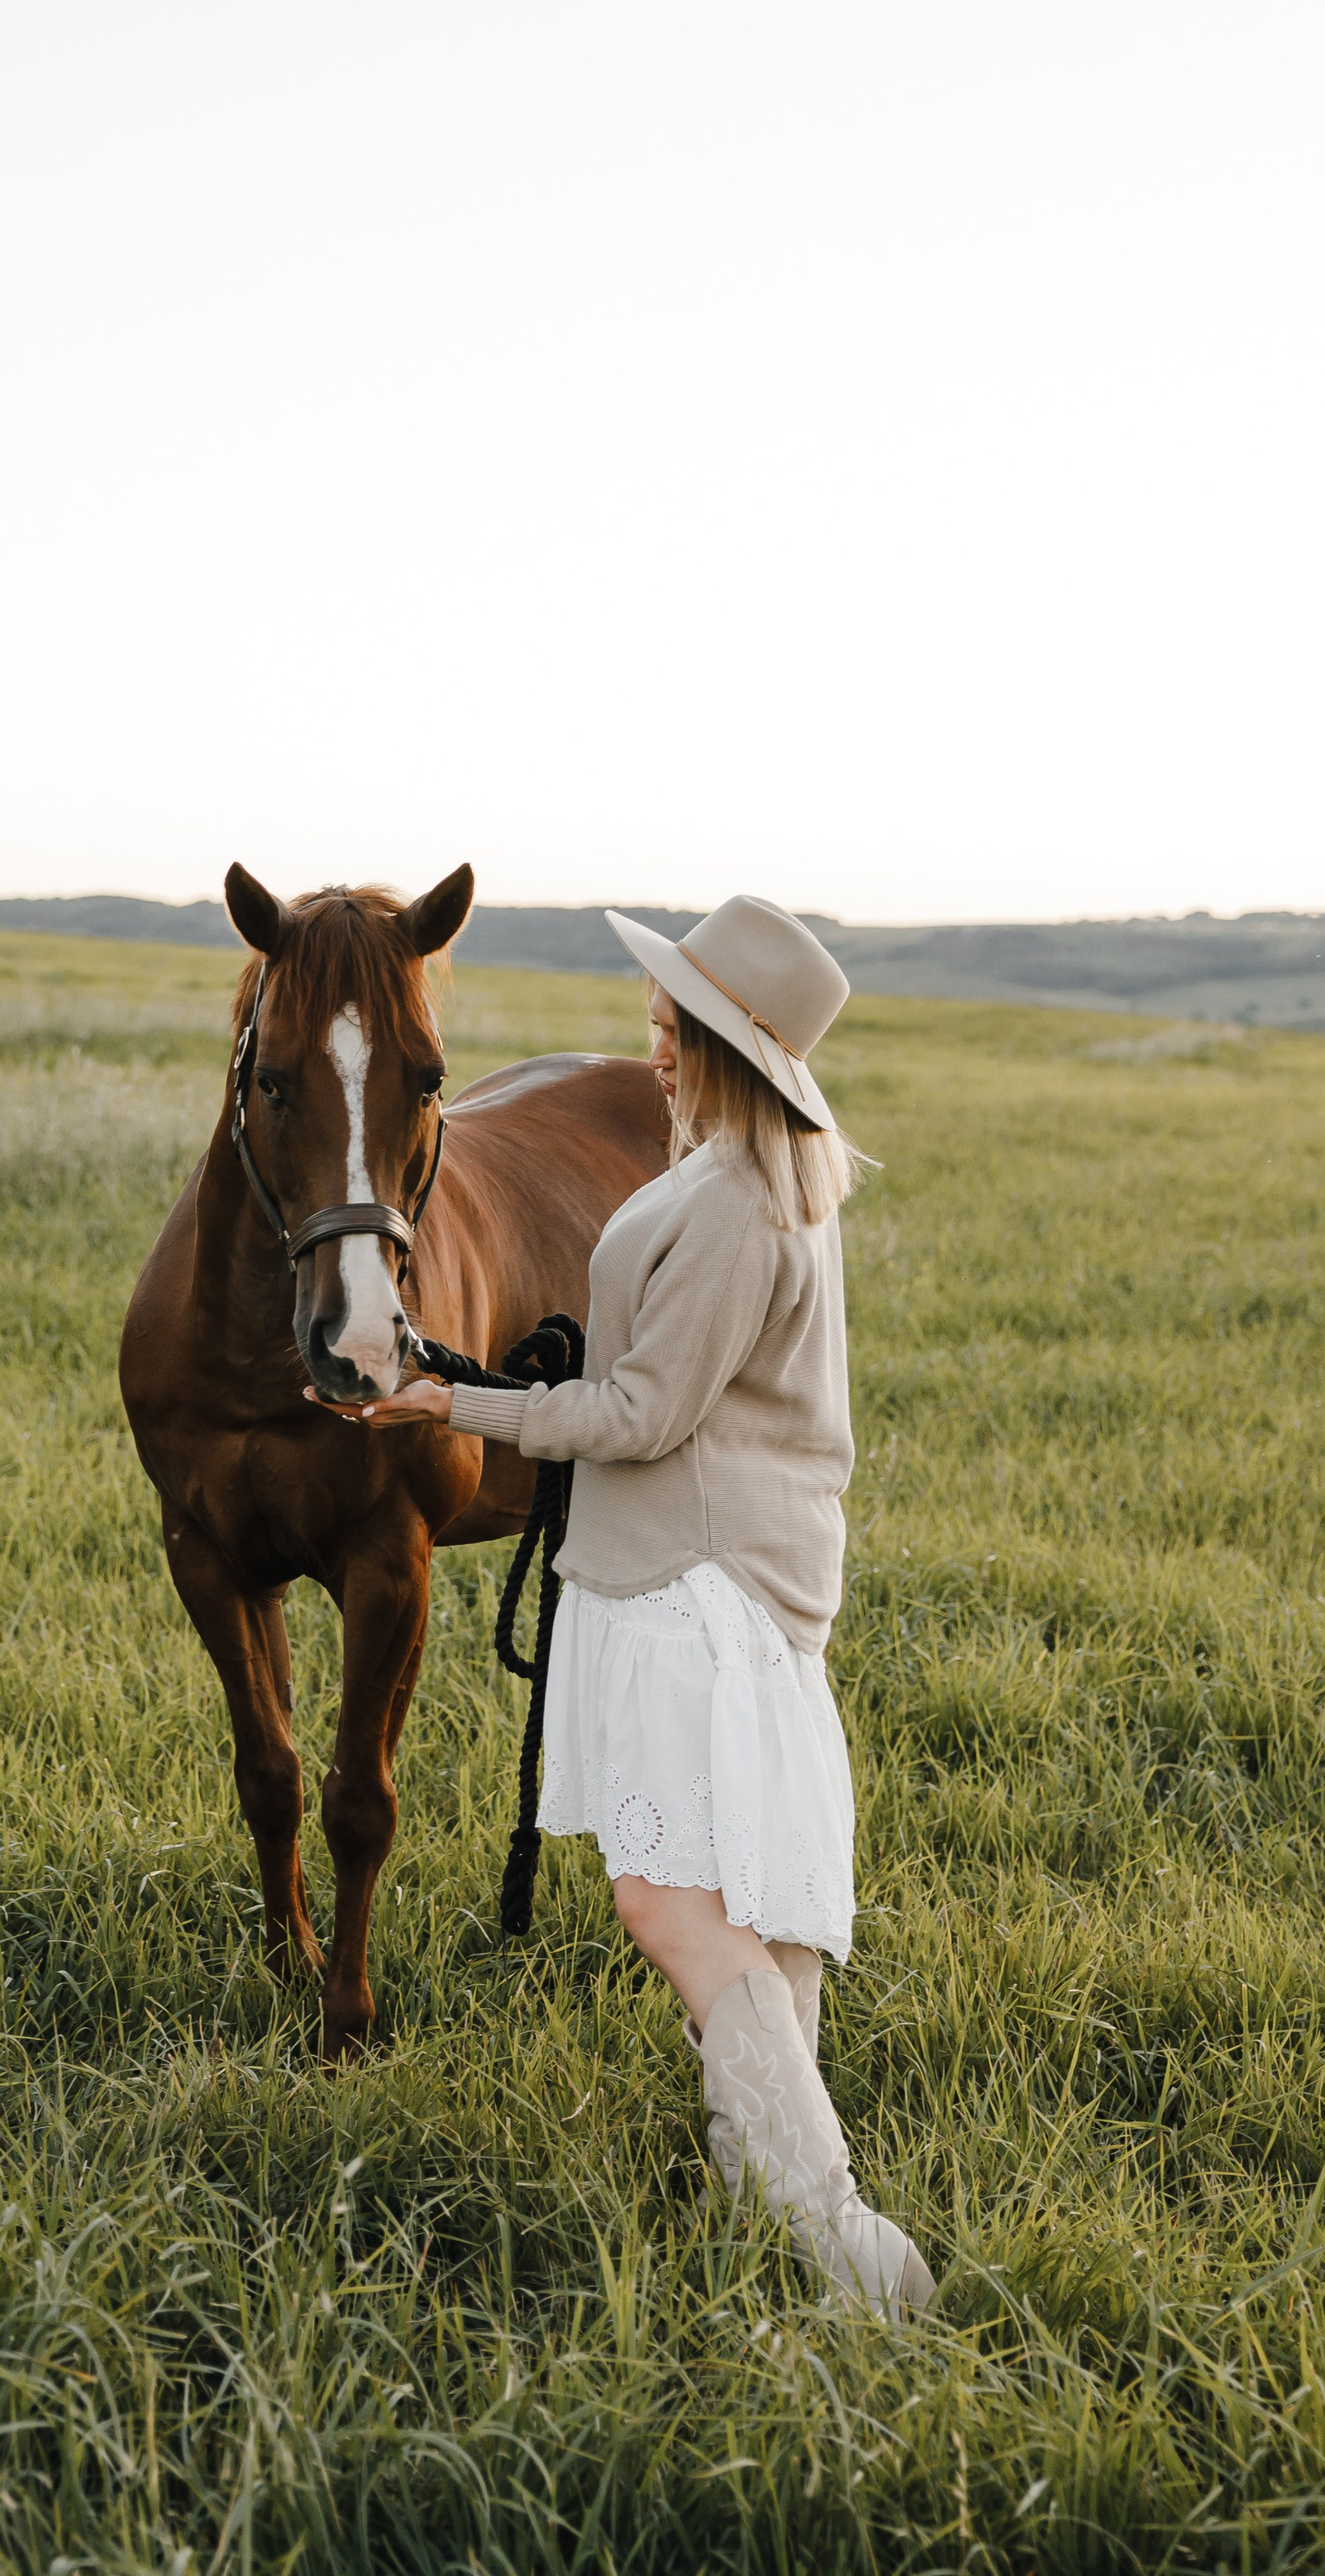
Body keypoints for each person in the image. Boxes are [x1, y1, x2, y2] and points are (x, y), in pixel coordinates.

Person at [355, 894, 933, 2319]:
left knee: (665, 1899)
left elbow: (643, 1410)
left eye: (673, 1029)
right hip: (703, 1570)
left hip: (696, 1579)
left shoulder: (738, 1204)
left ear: (733, 1048)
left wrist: (460, 1399)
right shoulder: (742, 1172)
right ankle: (764, 2174)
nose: (650, 1048)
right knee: (747, 1901)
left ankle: (837, 2230)